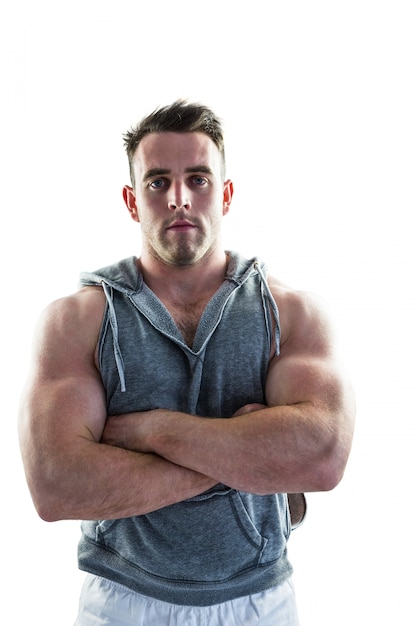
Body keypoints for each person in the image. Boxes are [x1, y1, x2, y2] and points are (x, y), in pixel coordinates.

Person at [18, 99, 355, 625]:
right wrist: (251, 457)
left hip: (257, 603)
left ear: (226, 194)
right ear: (132, 201)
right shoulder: (78, 320)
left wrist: (152, 430)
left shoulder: (288, 312)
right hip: (123, 601)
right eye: (158, 182)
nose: (179, 198)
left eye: (198, 178)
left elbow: (322, 458)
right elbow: (56, 487)